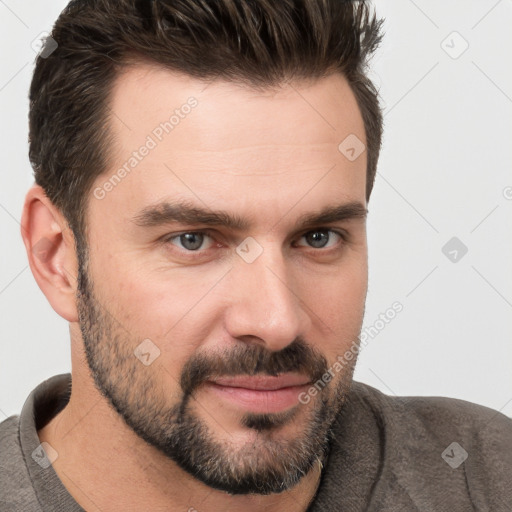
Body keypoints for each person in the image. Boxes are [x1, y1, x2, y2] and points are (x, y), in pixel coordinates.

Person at [1, 0, 511, 510]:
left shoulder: (488, 477)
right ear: (57, 257)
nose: (277, 321)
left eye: (318, 237)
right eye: (193, 240)